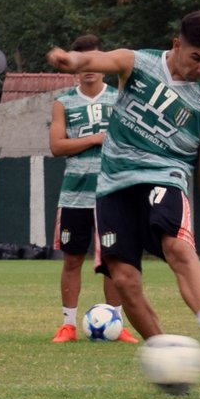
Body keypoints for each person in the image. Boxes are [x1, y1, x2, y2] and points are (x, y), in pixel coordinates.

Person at [46, 9, 200, 370]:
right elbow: (98, 59)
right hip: (113, 185)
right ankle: (166, 357)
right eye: (196, 57)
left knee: (177, 248)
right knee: (124, 279)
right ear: (177, 44)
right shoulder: (139, 63)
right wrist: (71, 60)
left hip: (165, 178)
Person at [49, 34, 138, 343]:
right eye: (81, 59)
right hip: (75, 195)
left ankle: (117, 323)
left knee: (114, 261)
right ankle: (68, 325)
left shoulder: (119, 99)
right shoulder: (63, 102)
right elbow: (57, 146)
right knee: (72, 260)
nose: (88, 68)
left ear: (102, 61)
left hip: (113, 195)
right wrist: (94, 139)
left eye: (93, 59)